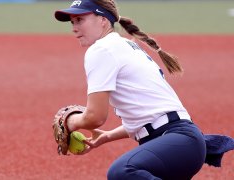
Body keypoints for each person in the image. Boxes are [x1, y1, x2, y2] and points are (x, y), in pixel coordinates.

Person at [54, 0, 234, 179]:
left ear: (103, 20)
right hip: (180, 141)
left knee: (122, 172)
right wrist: (108, 136)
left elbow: (95, 117)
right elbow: (150, 114)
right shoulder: (125, 45)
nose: (74, 28)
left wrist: (69, 122)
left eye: (80, 20)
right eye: (72, 22)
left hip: (176, 139)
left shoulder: (102, 50)